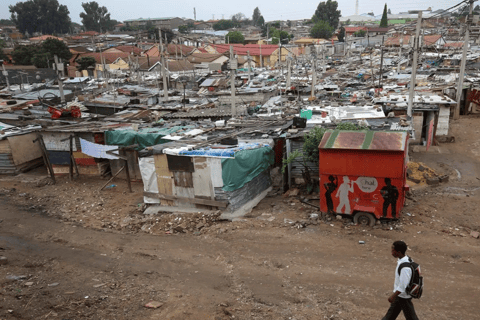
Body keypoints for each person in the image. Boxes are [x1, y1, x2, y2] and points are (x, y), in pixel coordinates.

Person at [383, 241, 419, 320]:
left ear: (399, 252)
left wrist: (393, 296)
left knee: (411, 318)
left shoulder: (405, 267)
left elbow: (403, 285)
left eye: (393, 251)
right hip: (400, 296)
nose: (391, 252)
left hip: (403, 296)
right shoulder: (406, 260)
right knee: (389, 317)